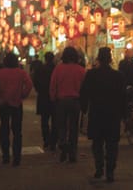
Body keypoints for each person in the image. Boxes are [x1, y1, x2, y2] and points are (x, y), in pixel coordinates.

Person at [80, 47, 126, 183]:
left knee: (97, 143)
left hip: (97, 113)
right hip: (113, 114)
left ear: (98, 58)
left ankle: (99, 168)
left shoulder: (91, 75)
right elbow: (123, 96)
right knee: (112, 144)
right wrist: (124, 114)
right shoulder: (118, 76)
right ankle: (110, 171)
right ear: (111, 59)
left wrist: (84, 110)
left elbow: (84, 93)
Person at [0, 52, 33, 166]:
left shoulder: (1, 73)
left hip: (4, 104)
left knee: (4, 129)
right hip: (17, 104)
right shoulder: (21, 73)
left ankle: (6, 156)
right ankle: (17, 158)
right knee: (17, 131)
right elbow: (29, 85)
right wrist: (22, 95)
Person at [50, 46, 86, 163]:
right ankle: (72, 152)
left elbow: (53, 85)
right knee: (74, 127)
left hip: (61, 101)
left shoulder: (58, 69)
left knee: (62, 126)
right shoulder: (81, 70)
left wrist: (53, 97)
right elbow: (85, 87)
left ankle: (63, 145)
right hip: (76, 101)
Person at [32, 52, 57, 151]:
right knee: (55, 120)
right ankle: (53, 141)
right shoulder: (56, 68)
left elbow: (35, 81)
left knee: (44, 120)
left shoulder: (40, 69)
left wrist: (39, 90)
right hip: (54, 97)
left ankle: (46, 140)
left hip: (43, 96)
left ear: (45, 59)